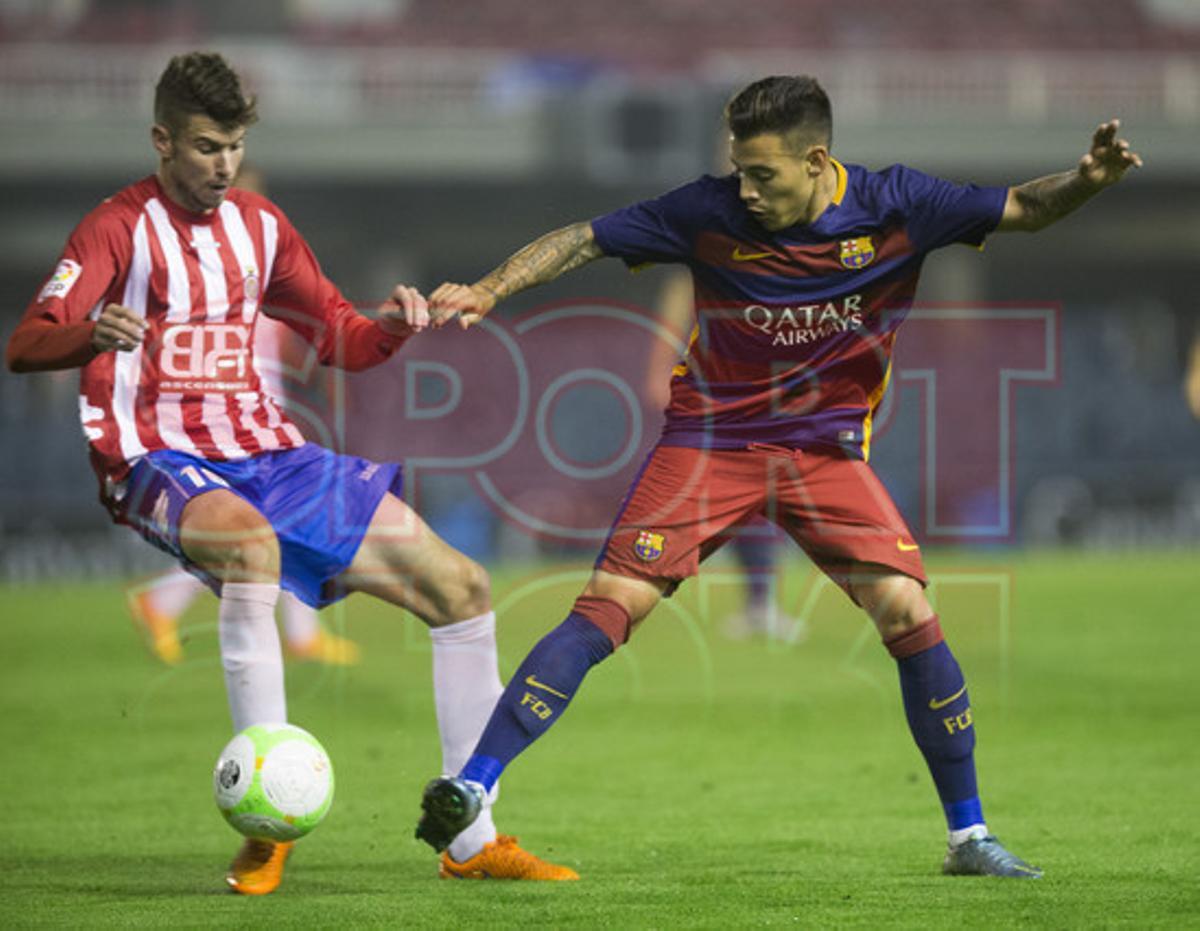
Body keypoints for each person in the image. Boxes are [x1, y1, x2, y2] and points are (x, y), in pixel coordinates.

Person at [412, 75, 1142, 878]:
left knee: (906, 606)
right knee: (610, 605)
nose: (745, 190)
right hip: (710, 442)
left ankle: (969, 837)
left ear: (817, 160)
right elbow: (583, 237)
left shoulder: (900, 205)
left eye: (762, 174)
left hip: (823, 451)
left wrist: (1086, 181)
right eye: (738, 170)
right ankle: (473, 786)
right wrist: (489, 289)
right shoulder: (709, 209)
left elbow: (1025, 210)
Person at [5, 51, 575, 890]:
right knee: (253, 549)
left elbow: (340, 334)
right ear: (162, 139)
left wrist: (394, 326)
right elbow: (27, 340)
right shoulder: (116, 229)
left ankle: (472, 840)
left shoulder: (261, 226)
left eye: (233, 146)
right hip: (154, 456)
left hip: (268, 451)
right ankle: (267, 823)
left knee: (464, 589)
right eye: (205, 147)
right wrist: (89, 333)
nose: (223, 165)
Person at [127, 163, 362, 668]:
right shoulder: (195, 267)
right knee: (273, 524)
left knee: (268, 527)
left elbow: (295, 331)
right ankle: (294, 631)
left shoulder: (264, 261)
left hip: (263, 414)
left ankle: (174, 605)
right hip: (223, 418)